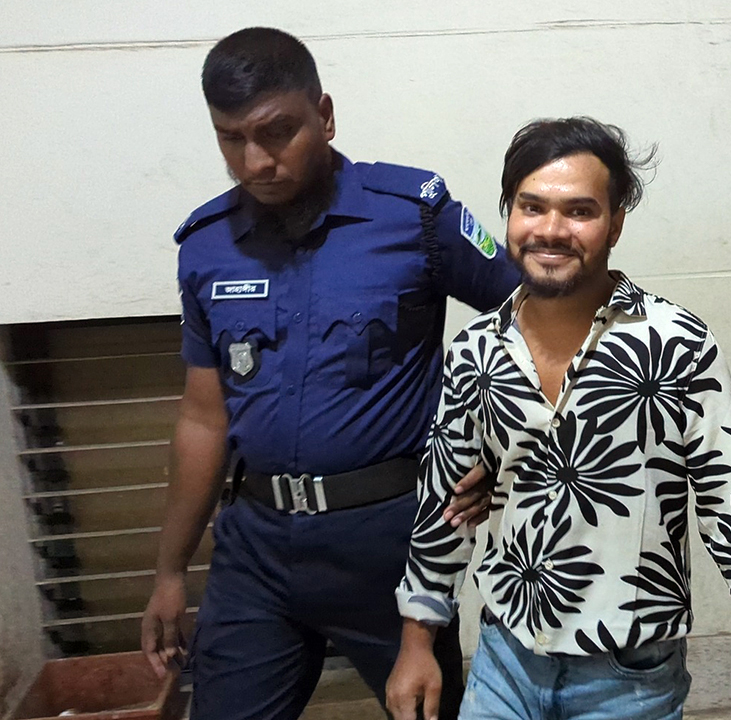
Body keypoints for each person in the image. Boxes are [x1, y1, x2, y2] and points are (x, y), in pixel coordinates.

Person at [385, 117, 731, 720]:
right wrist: (417, 644)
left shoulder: (676, 345)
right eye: (531, 207)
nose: (551, 230)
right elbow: (444, 506)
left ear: (616, 223)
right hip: (503, 663)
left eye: (580, 211)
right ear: (509, 213)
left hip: (630, 680)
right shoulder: (475, 350)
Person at [139, 27, 520, 720]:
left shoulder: (414, 216)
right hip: (255, 548)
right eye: (231, 139)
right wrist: (170, 570)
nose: (256, 161)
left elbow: (536, 322)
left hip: (388, 546)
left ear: (325, 115)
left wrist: (502, 456)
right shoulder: (207, 246)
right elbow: (202, 416)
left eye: (277, 132)